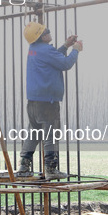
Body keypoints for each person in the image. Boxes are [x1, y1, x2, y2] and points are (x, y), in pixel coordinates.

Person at [15, 22, 82, 178]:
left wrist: (65, 46)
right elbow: (65, 63)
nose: (48, 32)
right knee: (51, 133)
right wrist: (76, 50)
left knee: (34, 133)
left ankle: (23, 168)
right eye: (46, 31)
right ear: (41, 36)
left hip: (33, 102)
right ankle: (51, 169)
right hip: (48, 102)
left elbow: (53, 57)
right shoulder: (46, 50)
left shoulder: (34, 49)